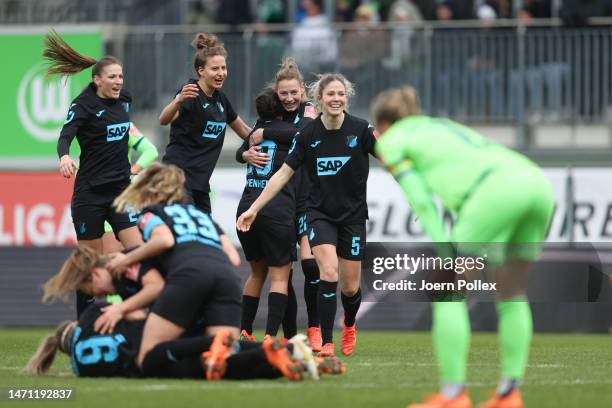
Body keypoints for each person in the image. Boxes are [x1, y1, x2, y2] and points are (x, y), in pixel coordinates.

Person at [372, 86, 554, 408]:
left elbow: (423, 203)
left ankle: (453, 395)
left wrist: (445, 250)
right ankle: (509, 393)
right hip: (535, 182)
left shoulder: (391, 140)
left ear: (382, 125)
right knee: (511, 292)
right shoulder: (439, 125)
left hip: (491, 192)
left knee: (446, 290)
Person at [237, 73, 378, 357]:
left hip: (352, 217)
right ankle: (326, 342)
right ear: (319, 100)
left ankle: (349, 323)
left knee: (350, 288)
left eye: (340, 94)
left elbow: (394, 162)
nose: (336, 99)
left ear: (346, 98)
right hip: (319, 214)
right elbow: (281, 176)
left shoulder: (361, 130)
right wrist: (253, 208)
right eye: (331, 95)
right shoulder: (308, 134)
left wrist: (416, 197)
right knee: (326, 271)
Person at [106, 163, 250, 378]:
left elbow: (164, 240)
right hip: (227, 277)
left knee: (147, 357)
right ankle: (285, 353)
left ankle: (213, 343)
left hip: (189, 274)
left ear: (150, 190)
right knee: (224, 363)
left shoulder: (150, 214)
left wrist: (126, 260)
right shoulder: (201, 216)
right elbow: (234, 258)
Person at [43, 30, 143, 316]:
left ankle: (133, 317)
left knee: (137, 255)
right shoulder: (83, 105)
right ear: (97, 80)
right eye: (112, 77)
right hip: (90, 195)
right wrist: (64, 157)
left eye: (120, 76)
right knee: (89, 264)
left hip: (121, 192)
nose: (118, 82)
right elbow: (65, 137)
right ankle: (84, 325)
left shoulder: (125, 99)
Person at [26, 301, 338, 380]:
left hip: (151, 367)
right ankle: (289, 350)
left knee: (223, 369)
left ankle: (281, 360)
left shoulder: (80, 367)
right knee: (221, 345)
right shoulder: (91, 316)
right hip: (154, 344)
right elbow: (132, 312)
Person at [238, 57, 321, 349]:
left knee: (306, 268)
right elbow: (245, 144)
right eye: (283, 93)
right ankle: (285, 335)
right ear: (276, 93)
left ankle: (313, 328)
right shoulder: (269, 118)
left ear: (302, 90)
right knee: (281, 272)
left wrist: (263, 134)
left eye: (293, 92)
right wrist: (244, 154)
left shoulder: (307, 113)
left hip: (306, 200)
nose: (289, 98)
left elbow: (306, 134)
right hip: (280, 202)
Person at [159, 33, 251, 214]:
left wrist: (274, 140)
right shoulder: (190, 93)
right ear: (201, 71)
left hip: (199, 183)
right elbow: (163, 119)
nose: (221, 73)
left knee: (205, 237)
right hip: (176, 179)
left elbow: (244, 130)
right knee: (189, 235)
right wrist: (178, 100)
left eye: (223, 68)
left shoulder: (221, 99)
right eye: (215, 69)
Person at [235, 88, 299, 342]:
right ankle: (271, 336)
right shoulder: (288, 134)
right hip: (274, 207)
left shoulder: (252, 135)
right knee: (280, 276)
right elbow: (301, 131)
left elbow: (242, 151)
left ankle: (245, 330)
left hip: (247, 206)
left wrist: (243, 153)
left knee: (256, 273)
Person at [102, 123, 159, 254]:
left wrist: (131, 172)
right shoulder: (124, 123)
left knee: (110, 262)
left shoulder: (123, 124)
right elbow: (151, 151)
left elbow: (151, 151)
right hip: (119, 198)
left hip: (108, 199)